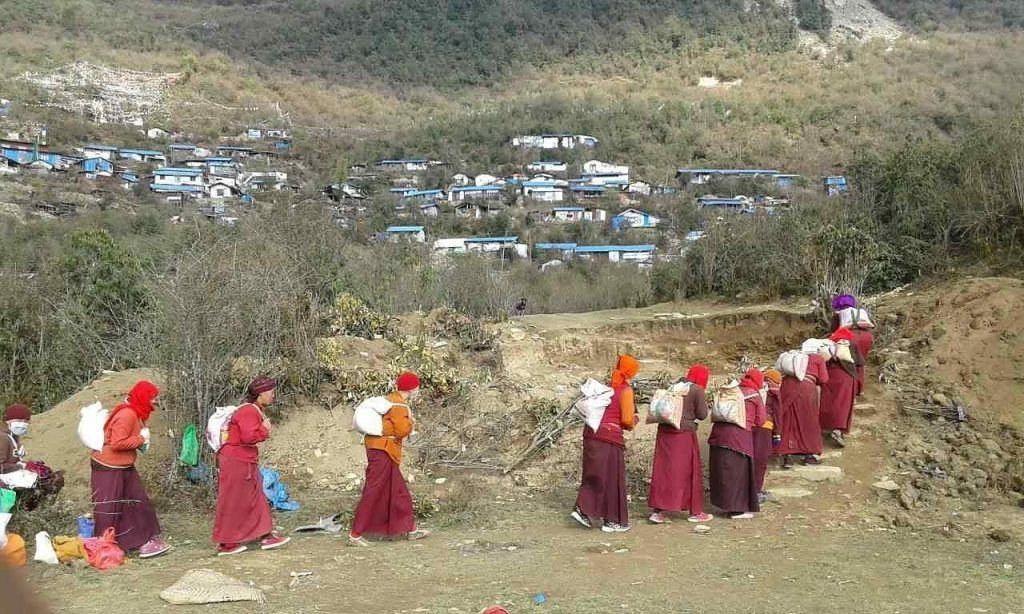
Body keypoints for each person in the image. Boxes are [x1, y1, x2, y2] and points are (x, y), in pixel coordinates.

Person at [90, 380, 171, 559]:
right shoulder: (128, 415)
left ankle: (138, 542)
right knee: (109, 507)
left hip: (122, 465)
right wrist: (141, 440)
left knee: (137, 502)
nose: (155, 402)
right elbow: (117, 443)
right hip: (109, 467)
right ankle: (104, 547)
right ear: (143, 397)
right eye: (152, 397)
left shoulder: (133, 412)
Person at [349, 372, 430, 546]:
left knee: (398, 491)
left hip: (380, 449)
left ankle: (411, 529)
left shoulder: (390, 399)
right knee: (374, 491)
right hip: (383, 451)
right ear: (412, 388)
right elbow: (401, 430)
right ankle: (355, 534)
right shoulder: (399, 405)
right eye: (417, 386)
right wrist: (411, 422)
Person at [212, 377, 290, 556]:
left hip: (243, 462)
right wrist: (265, 429)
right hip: (236, 463)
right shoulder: (248, 411)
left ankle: (265, 535)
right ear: (261, 394)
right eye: (270, 392)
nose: (273, 395)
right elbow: (249, 437)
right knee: (232, 501)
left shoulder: (252, 409)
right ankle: (227, 543)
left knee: (256, 499)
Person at [572, 354, 638, 533]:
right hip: (609, 439)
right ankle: (611, 520)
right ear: (632, 372)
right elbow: (627, 420)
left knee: (594, 474)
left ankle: (585, 510)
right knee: (611, 479)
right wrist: (634, 420)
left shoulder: (607, 388)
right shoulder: (625, 390)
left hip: (591, 434)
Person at [647, 364, 713, 524]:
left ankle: (658, 511)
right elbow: (702, 414)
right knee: (688, 472)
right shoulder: (696, 390)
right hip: (683, 435)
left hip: (664, 433)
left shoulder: (674, 386)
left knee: (664, 471)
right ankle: (695, 512)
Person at [708, 369, 764, 519]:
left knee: (723, 471)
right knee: (738, 474)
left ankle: (724, 505)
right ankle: (737, 509)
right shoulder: (754, 395)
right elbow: (761, 421)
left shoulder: (732, 391)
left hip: (718, 435)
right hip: (739, 438)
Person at [774, 343, 830, 468]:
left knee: (788, 419)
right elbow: (824, 379)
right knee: (808, 421)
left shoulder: (794, 356)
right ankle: (808, 455)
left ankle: (787, 455)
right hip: (806, 389)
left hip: (786, 386)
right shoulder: (817, 359)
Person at [0, 405, 64, 511]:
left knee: (44, 475)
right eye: (19, 420)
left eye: (26, 421)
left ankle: (26, 509)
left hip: (9, 476)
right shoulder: (3, 438)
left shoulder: (12, 436)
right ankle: (25, 510)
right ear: (8, 421)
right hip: (4, 482)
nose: (23, 424)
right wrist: (21, 466)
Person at [818, 329, 864, 448]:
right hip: (846, 378)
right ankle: (837, 430)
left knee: (827, 402)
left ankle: (823, 427)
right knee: (842, 404)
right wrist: (860, 387)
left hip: (829, 376)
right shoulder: (851, 344)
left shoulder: (827, 345)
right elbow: (859, 364)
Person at [755, 369, 783, 500]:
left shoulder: (755, 391)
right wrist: (777, 433)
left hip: (750, 428)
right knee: (761, 461)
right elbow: (777, 415)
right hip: (765, 428)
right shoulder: (774, 393)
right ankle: (756, 491)